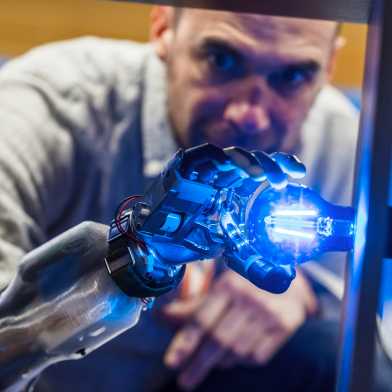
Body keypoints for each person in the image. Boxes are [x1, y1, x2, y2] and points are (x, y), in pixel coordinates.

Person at [0, 6, 360, 392]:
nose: (249, 115)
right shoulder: (48, 110)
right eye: (221, 60)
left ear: (329, 64)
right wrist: (124, 269)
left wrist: (306, 297)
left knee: (325, 352)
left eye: (292, 76)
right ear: (163, 28)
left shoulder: (339, 140)